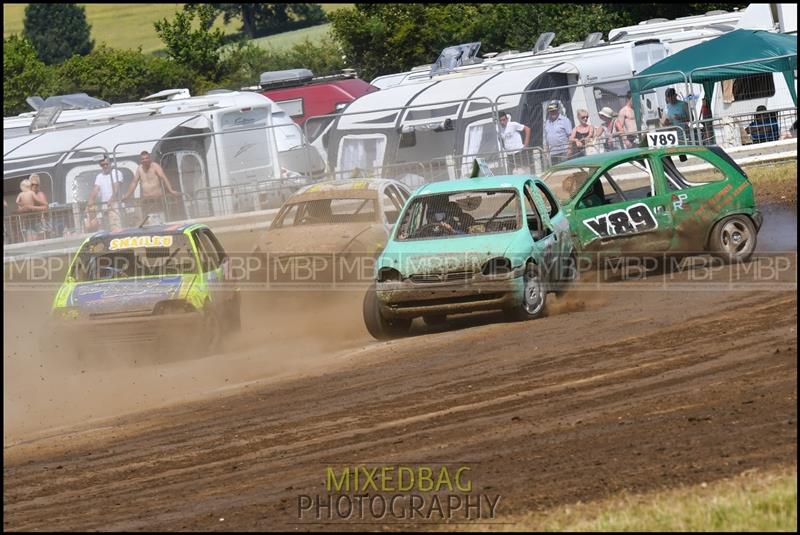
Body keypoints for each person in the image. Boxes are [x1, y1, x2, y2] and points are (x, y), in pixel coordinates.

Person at [122, 151, 179, 219]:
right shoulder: (139, 169)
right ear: (140, 160)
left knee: (161, 218)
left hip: (158, 199)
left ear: (150, 159)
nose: (145, 160)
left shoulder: (155, 166)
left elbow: (163, 177)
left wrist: (171, 190)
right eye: (143, 159)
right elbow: (134, 182)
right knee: (148, 220)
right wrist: (127, 195)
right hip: (147, 201)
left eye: (146, 158)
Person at [87, 157, 123, 232]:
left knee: (116, 228)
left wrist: (112, 198)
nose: (105, 166)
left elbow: (116, 187)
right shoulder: (99, 176)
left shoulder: (116, 173)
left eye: (106, 164)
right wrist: (90, 201)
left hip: (115, 206)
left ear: (110, 163)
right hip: (105, 207)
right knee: (107, 229)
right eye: (102, 165)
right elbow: (95, 189)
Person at [543, 101, 572, 165]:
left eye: (554, 110)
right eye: (551, 111)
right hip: (553, 152)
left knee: (565, 169)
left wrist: (570, 149)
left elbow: (570, 136)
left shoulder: (565, 120)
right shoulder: (547, 122)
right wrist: (545, 150)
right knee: (556, 171)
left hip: (564, 151)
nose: (553, 112)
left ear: (558, 110)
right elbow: (545, 138)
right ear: (549, 112)